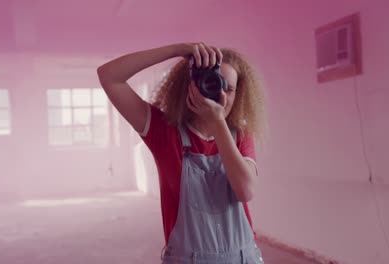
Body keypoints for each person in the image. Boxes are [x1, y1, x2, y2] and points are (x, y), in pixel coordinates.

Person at [97, 42, 266, 263]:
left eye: (228, 88)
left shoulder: (240, 135)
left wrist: (217, 122)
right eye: (211, 83)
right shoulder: (163, 130)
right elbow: (109, 76)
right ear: (190, 85)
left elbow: (245, 191)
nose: (219, 93)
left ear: (239, 94)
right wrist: (178, 51)